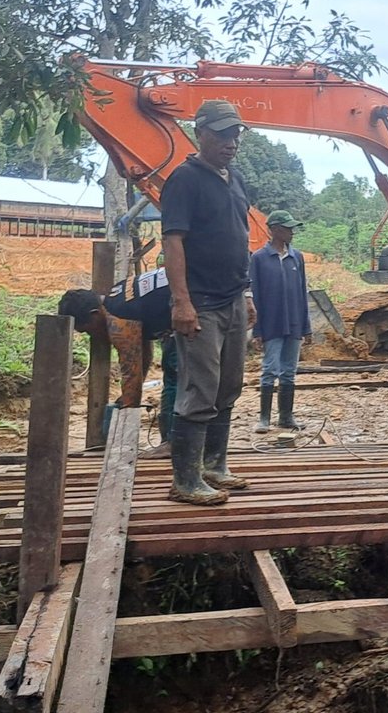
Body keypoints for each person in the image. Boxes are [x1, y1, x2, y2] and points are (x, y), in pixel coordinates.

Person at [161, 99, 255, 506]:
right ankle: (185, 479)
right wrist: (181, 302)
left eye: (234, 134)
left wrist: (247, 293)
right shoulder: (185, 179)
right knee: (199, 388)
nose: (230, 142)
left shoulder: (235, 179)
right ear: (199, 133)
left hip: (232, 298)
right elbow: (173, 241)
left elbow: (240, 238)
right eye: (220, 134)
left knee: (228, 385)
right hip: (200, 302)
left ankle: (214, 465)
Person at [58, 269, 179, 458]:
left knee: (174, 376)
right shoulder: (118, 295)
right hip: (197, 295)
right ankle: (173, 441)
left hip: (196, 305)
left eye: (88, 331)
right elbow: (143, 351)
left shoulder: (119, 321)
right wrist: (130, 394)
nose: (93, 336)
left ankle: (172, 443)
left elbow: (130, 370)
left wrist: (126, 413)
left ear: (95, 314)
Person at [249, 209, 313, 433]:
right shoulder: (259, 258)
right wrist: (257, 331)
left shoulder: (297, 257)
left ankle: (286, 417)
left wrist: (306, 327)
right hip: (271, 324)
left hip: (294, 323)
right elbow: (255, 295)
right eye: (287, 228)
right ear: (274, 230)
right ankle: (264, 418)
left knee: (289, 371)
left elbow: (302, 293)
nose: (292, 232)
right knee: (269, 370)